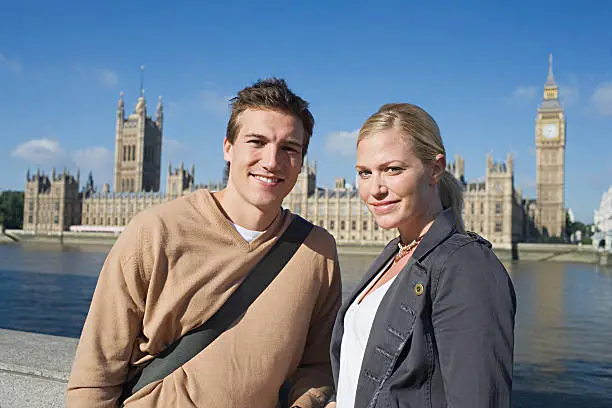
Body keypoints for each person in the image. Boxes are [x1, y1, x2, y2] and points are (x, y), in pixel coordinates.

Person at [67, 78, 342, 408]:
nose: (271, 161)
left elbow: (320, 367)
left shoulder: (317, 251)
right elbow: (93, 381)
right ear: (227, 147)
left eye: (288, 148)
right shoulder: (153, 232)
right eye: (256, 142)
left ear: (302, 160)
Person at [328, 103, 516, 408]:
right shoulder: (395, 254)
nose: (375, 188)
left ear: (435, 169)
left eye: (393, 169)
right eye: (364, 173)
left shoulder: (467, 267)